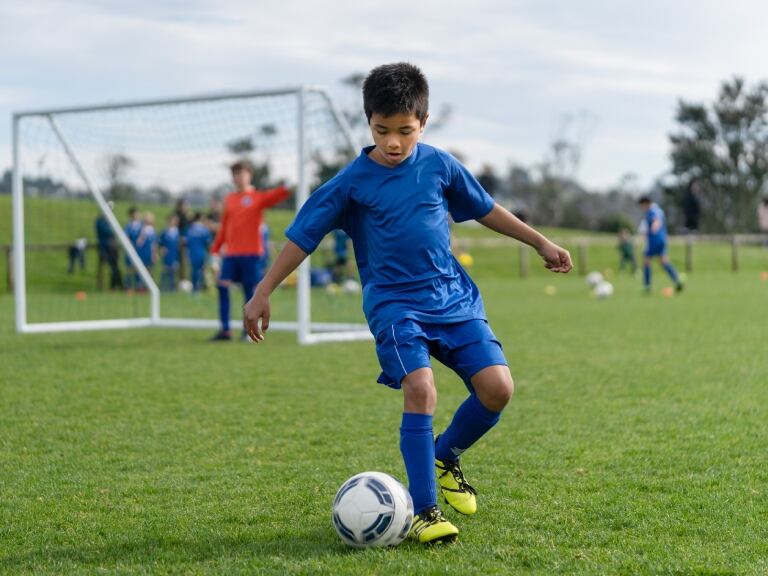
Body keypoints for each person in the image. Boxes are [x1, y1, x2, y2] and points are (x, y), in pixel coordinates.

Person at [243, 63, 572, 543]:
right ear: (368, 122)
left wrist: (540, 243)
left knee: (498, 388)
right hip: (396, 307)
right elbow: (302, 237)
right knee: (421, 389)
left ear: (424, 121)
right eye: (382, 131)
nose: (393, 142)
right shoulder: (352, 182)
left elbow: (486, 210)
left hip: (453, 299)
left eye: (405, 131)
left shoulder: (439, 165)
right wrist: (264, 290)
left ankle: (444, 455)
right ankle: (425, 512)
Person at [210, 160, 291, 341]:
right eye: (235, 174)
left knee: (250, 293)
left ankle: (248, 332)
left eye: (241, 173)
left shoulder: (257, 197)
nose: (238, 177)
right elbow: (224, 227)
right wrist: (215, 250)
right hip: (231, 254)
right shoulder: (230, 199)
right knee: (222, 286)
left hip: (252, 254)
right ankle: (225, 330)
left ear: (249, 175)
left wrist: (290, 185)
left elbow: (276, 196)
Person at [638, 196, 683, 292]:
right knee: (664, 261)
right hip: (662, 239)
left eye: (641, 206)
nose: (642, 208)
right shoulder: (659, 210)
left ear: (645, 204)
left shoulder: (651, 211)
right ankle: (677, 280)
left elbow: (656, 220)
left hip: (654, 240)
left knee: (646, 261)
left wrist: (654, 227)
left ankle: (647, 286)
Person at [95, 205, 123, 290]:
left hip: (112, 248)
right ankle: (110, 286)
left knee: (115, 267)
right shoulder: (100, 221)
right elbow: (107, 232)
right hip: (105, 248)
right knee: (106, 267)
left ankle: (115, 286)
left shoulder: (111, 221)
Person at [185, 212, 212, 292]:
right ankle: (199, 287)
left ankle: (194, 288)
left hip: (191, 253)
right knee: (200, 270)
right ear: (200, 218)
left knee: (193, 270)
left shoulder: (190, 229)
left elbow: (186, 241)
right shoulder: (204, 230)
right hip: (201, 253)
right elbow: (208, 242)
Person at [135, 212, 157, 291]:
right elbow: (139, 242)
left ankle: (148, 287)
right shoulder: (141, 229)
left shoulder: (152, 230)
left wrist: (154, 254)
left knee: (149, 270)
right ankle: (139, 287)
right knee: (140, 270)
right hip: (142, 253)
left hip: (149, 253)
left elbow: (154, 243)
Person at [159, 214, 181, 291]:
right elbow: (160, 241)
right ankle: (163, 286)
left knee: (173, 271)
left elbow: (179, 243)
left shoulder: (177, 231)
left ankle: (172, 287)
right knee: (165, 270)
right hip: (167, 254)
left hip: (174, 254)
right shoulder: (165, 231)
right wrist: (162, 248)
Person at [124, 206, 143, 290]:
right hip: (131, 250)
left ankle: (139, 286)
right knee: (129, 268)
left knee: (139, 268)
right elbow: (126, 236)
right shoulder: (128, 226)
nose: (137, 215)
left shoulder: (142, 226)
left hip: (140, 250)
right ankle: (128, 286)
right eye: (135, 214)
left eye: (138, 213)